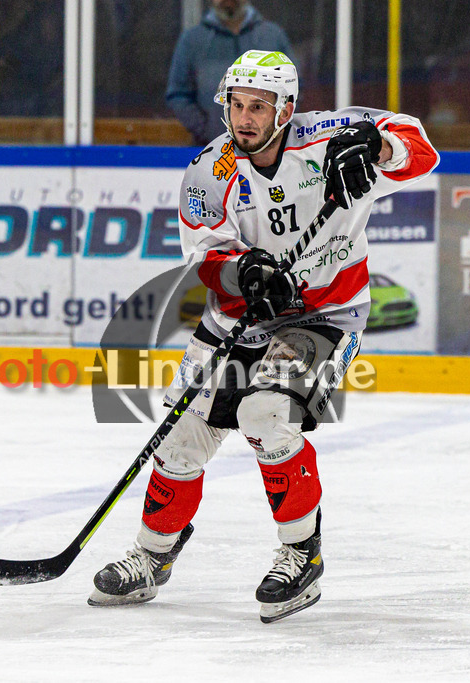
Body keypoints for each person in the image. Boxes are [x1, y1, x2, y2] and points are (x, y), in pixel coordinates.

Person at [89, 50, 439, 622]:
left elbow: (421, 148)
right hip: (239, 316)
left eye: (259, 106)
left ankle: (301, 555)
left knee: (266, 415)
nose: (245, 117)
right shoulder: (211, 169)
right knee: (182, 436)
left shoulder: (329, 141)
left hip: (326, 314)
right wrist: (242, 272)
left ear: (286, 110)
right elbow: (204, 254)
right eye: (236, 104)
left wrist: (377, 148)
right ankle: (151, 557)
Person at [166, 0, 292, 145]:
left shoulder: (272, 36)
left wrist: (273, 126)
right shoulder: (192, 40)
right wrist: (206, 129)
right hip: (210, 148)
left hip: (268, 149)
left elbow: (292, 87)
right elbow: (178, 94)